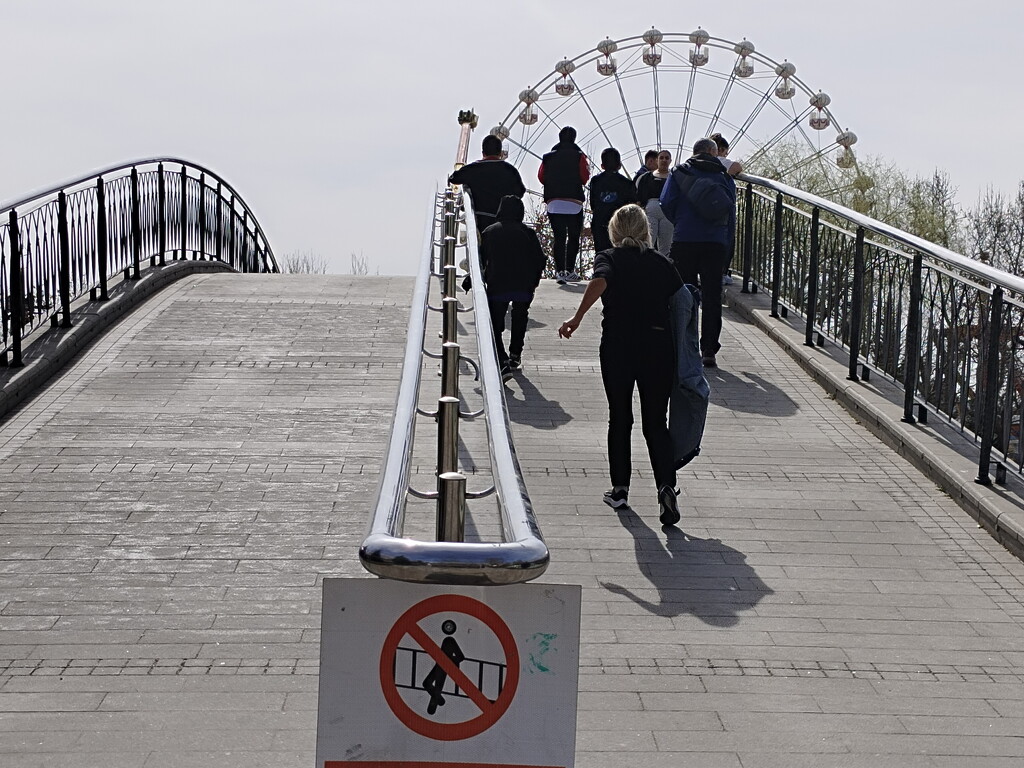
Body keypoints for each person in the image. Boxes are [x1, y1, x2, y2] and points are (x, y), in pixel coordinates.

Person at [557, 204, 683, 527]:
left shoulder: (609, 258)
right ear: (645, 230)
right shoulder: (661, 263)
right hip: (658, 346)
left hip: (619, 345)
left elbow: (600, 281)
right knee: (656, 421)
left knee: (620, 416)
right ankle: (666, 486)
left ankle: (620, 489)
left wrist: (577, 317)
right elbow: (681, 300)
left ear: (614, 231)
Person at [660, 138, 736, 369]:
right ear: (713, 152)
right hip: (715, 242)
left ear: (693, 152)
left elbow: (666, 202)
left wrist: (681, 222)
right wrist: (727, 247)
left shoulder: (678, 173)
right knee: (712, 296)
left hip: (684, 239)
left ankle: (685, 343)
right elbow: (730, 213)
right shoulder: (724, 177)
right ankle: (709, 349)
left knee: (683, 292)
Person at [480, 195, 546, 381]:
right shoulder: (528, 233)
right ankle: (515, 354)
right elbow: (540, 260)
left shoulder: (489, 232)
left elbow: (481, 260)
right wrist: (534, 281)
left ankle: (502, 361)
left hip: (498, 284)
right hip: (523, 285)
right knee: (520, 316)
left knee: (495, 324)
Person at [538, 126, 589, 283]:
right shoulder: (579, 156)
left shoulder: (548, 157)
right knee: (573, 237)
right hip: (574, 201)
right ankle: (570, 270)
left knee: (559, 237)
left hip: (554, 201)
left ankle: (559, 271)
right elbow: (585, 177)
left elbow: (541, 176)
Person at [448, 135, 526, 234]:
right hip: (503, 222)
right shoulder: (510, 170)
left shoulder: (473, 169)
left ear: (483, 152)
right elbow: (520, 191)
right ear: (500, 153)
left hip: (480, 219)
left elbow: (453, 178)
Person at [588, 148, 637, 254]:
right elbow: (632, 206)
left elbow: (593, 203)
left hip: (599, 222)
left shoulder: (595, 181)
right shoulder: (627, 183)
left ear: (602, 165)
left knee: (601, 254)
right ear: (619, 165)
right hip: (620, 224)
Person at [709, 132, 742, 286]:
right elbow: (737, 167)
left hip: (703, 206)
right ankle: (721, 272)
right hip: (723, 207)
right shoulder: (721, 162)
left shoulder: (699, 163)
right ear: (721, 150)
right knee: (726, 239)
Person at [636, 149, 673, 254]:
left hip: (668, 212)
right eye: (661, 158)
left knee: (666, 244)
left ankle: (664, 262)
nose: (664, 160)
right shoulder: (646, 177)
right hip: (650, 210)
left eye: (667, 158)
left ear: (670, 161)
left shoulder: (674, 177)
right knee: (648, 241)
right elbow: (639, 197)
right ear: (657, 160)